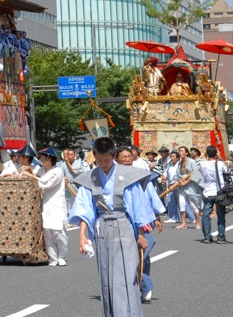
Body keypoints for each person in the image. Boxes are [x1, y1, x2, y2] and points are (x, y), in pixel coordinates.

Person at [70, 136, 156, 317]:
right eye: (99, 160)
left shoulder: (128, 176)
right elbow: (86, 209)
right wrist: (83, 235)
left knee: (126, 274)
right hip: (102, 227)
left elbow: (138, 206)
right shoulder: (90, 178)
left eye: (107, 160)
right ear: (94, 157)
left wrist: (141, 234)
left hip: (123, 225)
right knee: (107, 276)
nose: (104, 164)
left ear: (113, 155)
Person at [115, 145, 164, 304]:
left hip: (143, 217)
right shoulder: (112, 177)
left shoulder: (141, 176)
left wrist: (156, 217)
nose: (128, 159)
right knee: (130, 255)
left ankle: (143, 284)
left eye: (130, 156)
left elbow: (151, 196)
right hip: (123, 220)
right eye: (124, 157)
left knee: (144, 253)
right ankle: (141, 285)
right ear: (116, 159)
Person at [32, 147, 68, 266]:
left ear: (48, 158)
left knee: (58, 232)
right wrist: (27, 171)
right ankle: (53, 257)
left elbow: (45, 183)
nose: (41, 160)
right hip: (46, 205)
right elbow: (34, 175)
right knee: (47, 232)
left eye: (42, 157)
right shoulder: (42, 170)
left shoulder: (57, 171)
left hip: (57, 205)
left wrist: (31, 175)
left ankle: (62, 256)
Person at [199, 145, 230, 244]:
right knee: (221, 215)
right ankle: (221, 237)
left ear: (206, 154)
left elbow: (198, 171)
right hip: (219, 192)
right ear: (216, 153)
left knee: (206, 215)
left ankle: (207, 236)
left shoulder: (202, 164)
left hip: (207, 192)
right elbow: (227, 171)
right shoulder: (220, 164)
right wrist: (219, 157)